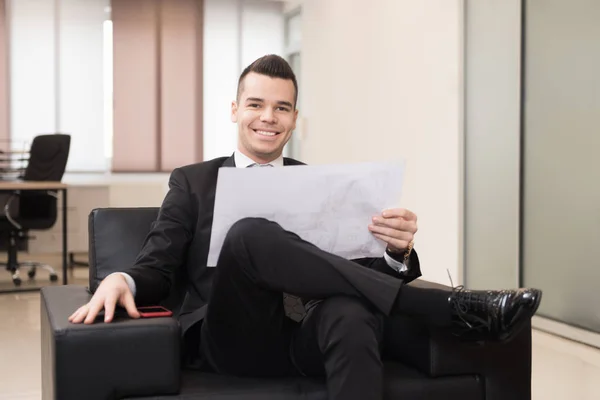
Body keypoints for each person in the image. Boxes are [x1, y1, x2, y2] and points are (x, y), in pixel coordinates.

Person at [69, 55, 541, 400]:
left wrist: (397, 253)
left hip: (306, 335)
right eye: (256, 104)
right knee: (250, 233)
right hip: (234, 334)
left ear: (295, 119)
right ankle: (445, 305)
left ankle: (434, 303)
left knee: (351, 313)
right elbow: (159, 262)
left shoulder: (318, 181)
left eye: (282, 108)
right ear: (235, 110)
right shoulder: (193, 181)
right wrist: (122, 276)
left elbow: (354, 271)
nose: (268, 118)